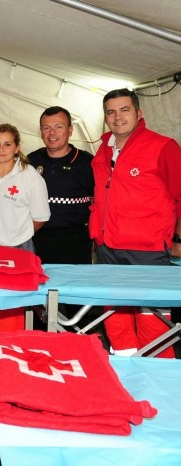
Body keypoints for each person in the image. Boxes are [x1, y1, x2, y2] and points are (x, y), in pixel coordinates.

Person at [89, 88, 181, 358]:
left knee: (151, 321)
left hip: (147, 249)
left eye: (124, 110)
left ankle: (160, 387)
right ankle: (126, 374)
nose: (118, 117)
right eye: (111, 112)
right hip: (107, 246)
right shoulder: (103, 147)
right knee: (115, 316)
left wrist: (178, 239)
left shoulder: (163, 146)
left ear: (139, 113)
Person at [0, 124, 51, 336]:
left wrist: (16, 234)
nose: (1, 149)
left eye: (7, 144)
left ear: (16, 148)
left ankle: (6, 358)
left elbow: (40, 217)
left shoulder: (30, 177)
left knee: (11, 309)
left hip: (16, 250)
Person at [27, 107, 94, 264]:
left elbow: (98, 202)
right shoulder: (31, 161)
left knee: (72, 287)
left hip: (76, 244)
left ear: (70, 130)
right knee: (41, 287)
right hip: (37, 241)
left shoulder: (87, 163)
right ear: (41, 132)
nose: (52, 133)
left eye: (59, 127)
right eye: (46, 128)